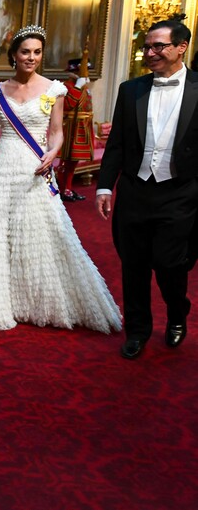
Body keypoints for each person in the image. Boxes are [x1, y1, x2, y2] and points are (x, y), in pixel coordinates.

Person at [0, 25, 121, 333]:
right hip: (2, 168)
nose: (31, 58)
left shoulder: (54, 89)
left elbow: (57, 133)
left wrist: (52, 155)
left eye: (37, 52)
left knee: (40, 233)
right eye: (25, 52)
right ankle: (2, 303)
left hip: (34, 168)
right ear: (13, 55)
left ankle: (36, 300)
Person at [96, 19, 198, 359]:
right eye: (146, 47)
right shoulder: (131, 90)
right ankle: (137, 330)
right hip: (135, 191)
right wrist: (104, 187)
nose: (149, 53)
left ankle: (177, 312)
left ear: (181, 47)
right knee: (133, 264)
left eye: (158, 46)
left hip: (180, 192)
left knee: (170, 263)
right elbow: (117, 144)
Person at [56, 55, 94, 202]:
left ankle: (68, 188)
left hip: (82, 127)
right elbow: (67, 105)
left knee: (74, 162)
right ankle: (62, 189)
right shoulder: (65, 86)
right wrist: (77, 87)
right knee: (65, 161)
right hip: (70, 128)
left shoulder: (85, 87)